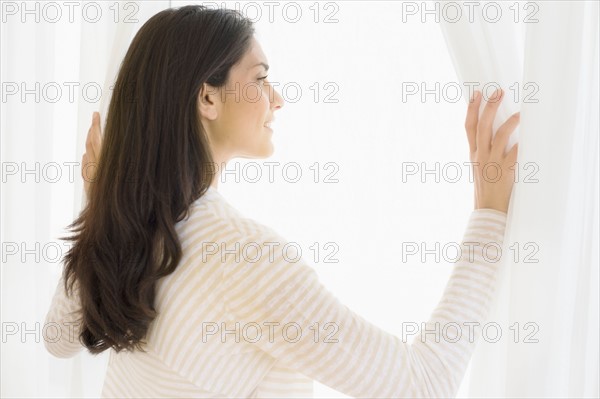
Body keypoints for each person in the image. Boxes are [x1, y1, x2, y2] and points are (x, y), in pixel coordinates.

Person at [44, 5, 520, 398]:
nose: (277, 99)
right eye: (261, 77)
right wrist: (490, 216)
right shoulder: (245, 260)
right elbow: (424, 384)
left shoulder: (135, 232)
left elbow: (57, 339)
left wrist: (99, 202)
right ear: (207, 98)